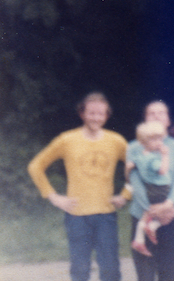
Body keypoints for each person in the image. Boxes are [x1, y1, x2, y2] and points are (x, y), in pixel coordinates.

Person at [27, 92, 130, 281]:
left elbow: (137, 167)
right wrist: (53, 196)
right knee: (80, 268)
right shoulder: (67, 140)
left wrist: (125, 194)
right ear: (82, 114)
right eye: (91, 113)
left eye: (101, 113)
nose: (96, 118)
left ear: (107, 115)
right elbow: (35, 166)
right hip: (76, 215)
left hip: (105, 213)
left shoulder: (116, 141)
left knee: (110, 267)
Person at [127, 100, 174, 281]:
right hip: (143, 212)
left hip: (173, 213)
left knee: (169, 269)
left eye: (161, 113)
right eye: (151, 113)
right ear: (145, 121)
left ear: (168, 120)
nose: (156, 116)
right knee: (144, 270)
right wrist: (151, 209)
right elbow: (135, 181)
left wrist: (168, 205)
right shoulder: (133, 147)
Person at [128, 120, 172, 256]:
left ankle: (138, 239)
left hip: (150, 189)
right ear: (144, 142)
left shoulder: (140, 156)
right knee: (169, 213)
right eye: (154, 139)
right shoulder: (154, 159)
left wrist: (131, 166)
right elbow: (163, 170)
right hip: (161, 189)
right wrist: (165, 155)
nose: (159, 142)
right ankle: (151, 227)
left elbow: (131, 165)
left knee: (147, 214)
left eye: (160, 138)